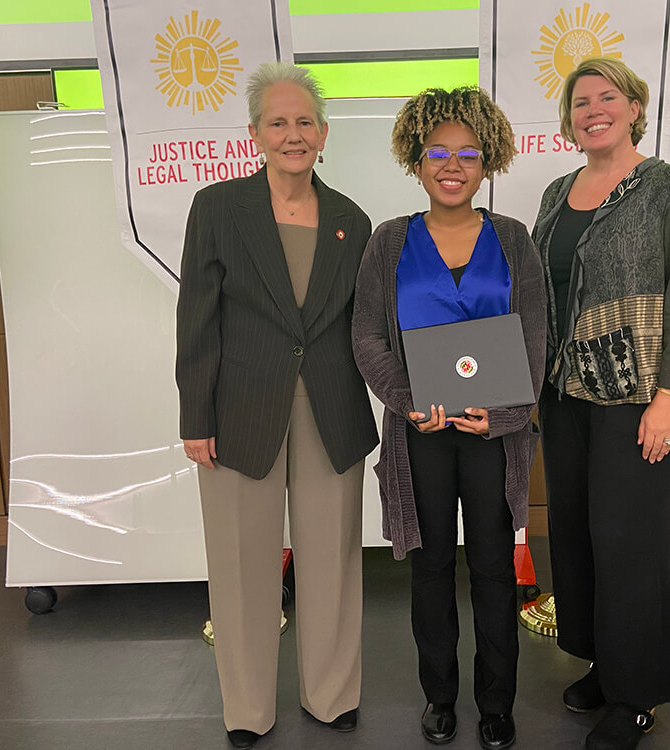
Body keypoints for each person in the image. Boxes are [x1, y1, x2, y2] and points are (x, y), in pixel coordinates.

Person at [176, 62, 378, 750]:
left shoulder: (353, 219)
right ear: (256, 133)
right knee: (240, 566)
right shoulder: (217, 208)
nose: (293, 134)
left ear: (323, 133)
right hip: (237, 413)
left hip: (332, 410)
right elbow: (196, 319)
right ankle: (247, 709)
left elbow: (366, 325)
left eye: (304, 122)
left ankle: (331, 695)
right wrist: (194, 418)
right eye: (277, 122)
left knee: (333, 561)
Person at [352, 86, 546, 750]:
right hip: (420, 436)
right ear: (416, 159)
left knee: (494, 568)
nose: (453, 164)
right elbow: (367, 338)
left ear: (487, 160)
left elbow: (532, 338)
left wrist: (501, 414)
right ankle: (439, 696)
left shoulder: (513, 240)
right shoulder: (388, 242)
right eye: (439, 151)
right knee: (430, 567)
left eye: (468, 152)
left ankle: (496, 702)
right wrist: (409, 402)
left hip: (494, 437)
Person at [532, 58, 670, 750]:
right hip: (565, 396)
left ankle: (635, 695)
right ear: (569, 119)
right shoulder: (556, 193)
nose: (593, 109)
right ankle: (605, 665)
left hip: (638, 399)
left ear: (635, 107)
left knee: (629, 545)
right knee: (577, 535)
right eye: (581, 102)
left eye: (607, 97)